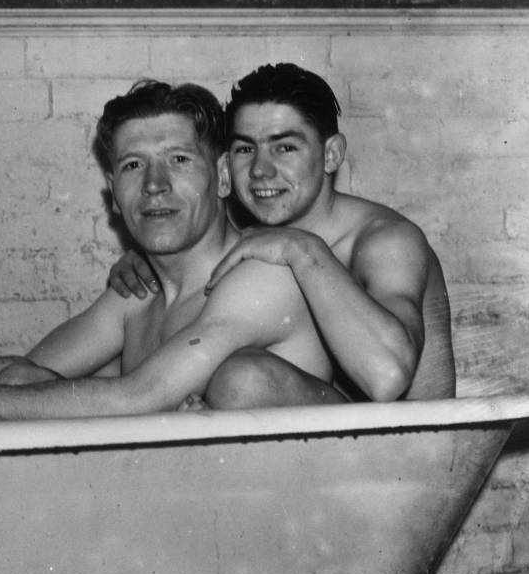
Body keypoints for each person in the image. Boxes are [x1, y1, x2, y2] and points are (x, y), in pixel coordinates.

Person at [0, 79, 338, 425]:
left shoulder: (259, 274)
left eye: (179, 160)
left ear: (224, 177)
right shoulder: (139, 292)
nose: (155, 185)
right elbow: (10, 384)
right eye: (134, 165)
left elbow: (139, 397)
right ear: (115, 194)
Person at [106, 63, 454, 402]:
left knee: (244, 377)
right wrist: (153, 258)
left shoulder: (385, 241)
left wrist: (303, 249)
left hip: (415, 450)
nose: (260, 170)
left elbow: (387, 378)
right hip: (319, 448)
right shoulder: (259, 237)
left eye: (284, 147)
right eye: (245, 149)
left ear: (331, 154)